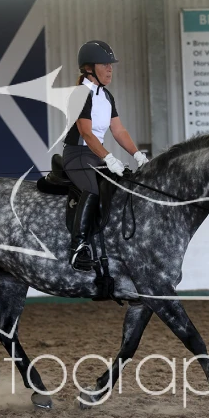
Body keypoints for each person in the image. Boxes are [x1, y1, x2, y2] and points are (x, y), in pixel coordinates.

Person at [63, 40, 149, 272]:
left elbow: (118, 131)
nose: (110, 69)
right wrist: (109, 158)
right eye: (105, 64)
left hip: (95, 155)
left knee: (122, 187)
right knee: (92, 190)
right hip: (77, 154)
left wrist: (137, 155)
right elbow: (86, 133)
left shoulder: (107, 96)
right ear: (89, 68)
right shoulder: (81, 94)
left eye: (111, 65)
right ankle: (78, 247)